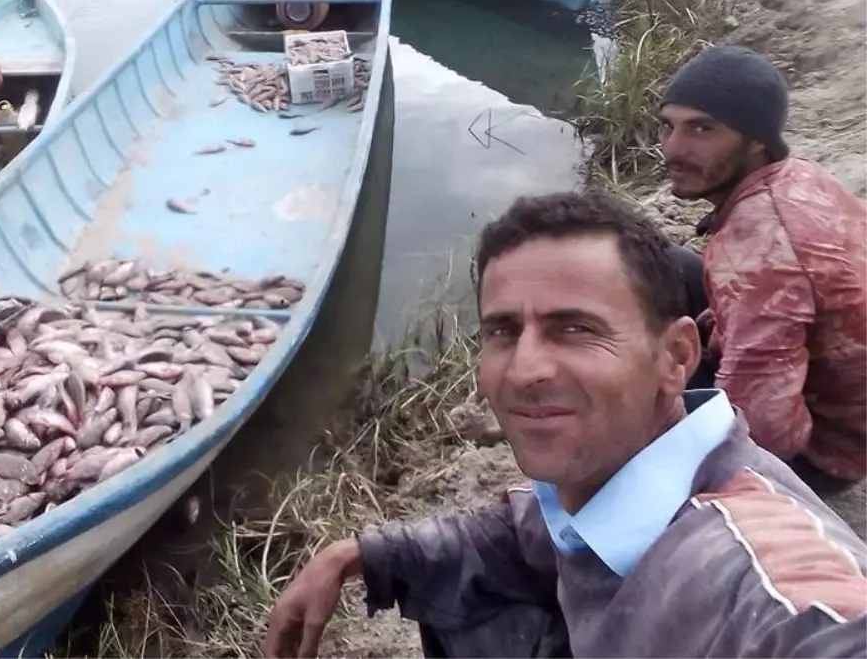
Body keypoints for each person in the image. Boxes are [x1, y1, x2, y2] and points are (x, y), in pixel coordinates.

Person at [262, 191, 867, 659]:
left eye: (575, 328)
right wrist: (358, 556)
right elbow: (528, 529)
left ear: (677, 356)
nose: (524, 370)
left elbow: (814, 615)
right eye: (502, 331)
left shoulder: (753, 574)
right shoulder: (614, 480)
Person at [659, 44, 867, 494]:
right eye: (668, 127)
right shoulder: (796, 175)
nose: (673, 149)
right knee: (663, 267)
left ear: (755, 139)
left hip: (823, 455)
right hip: (837, 390)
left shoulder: (760, 252)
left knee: (640, 368)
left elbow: (766, 432)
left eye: (702, 129)